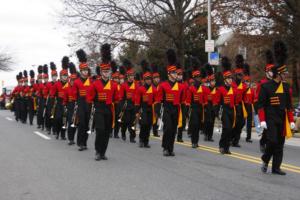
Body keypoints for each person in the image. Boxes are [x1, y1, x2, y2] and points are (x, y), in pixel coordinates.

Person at [258, 41, 295, 175]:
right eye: (284, 73)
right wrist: (262, 120)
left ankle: (276, 168)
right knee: (272, 141)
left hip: (282, 118)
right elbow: (260, 105)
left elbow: (289, 106)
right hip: (270, 119)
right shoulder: (265, 87)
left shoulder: (286, 88)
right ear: (279, 74)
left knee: (280, 144)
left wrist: (291, 120)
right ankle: (265, 159)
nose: (286, 75)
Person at [88, 43, 119, 160]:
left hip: (109, 110)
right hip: (99, 110)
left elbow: (117, 98)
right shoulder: (94, 84)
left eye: (108, 71)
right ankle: (97, 151)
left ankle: (103, 152)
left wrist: (115, 102)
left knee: (106, 132)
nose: (107, 73)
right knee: (100, 130)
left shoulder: (114, 85)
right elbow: (89, 98)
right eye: (104, 71)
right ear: (101, 72)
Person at [155, 49, 184, 156]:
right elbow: (158, 99)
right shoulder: (163, 85)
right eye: (173, 72)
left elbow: (182, 100)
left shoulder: (180, 87)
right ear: (169, 74)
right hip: (166, 109)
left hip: (176, 109)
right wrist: (158, 111)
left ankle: (170, 148)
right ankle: (165, 148)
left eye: (176, 72)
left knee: (173, 130)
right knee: (167, 128)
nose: (176, 74)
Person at [255, 50, 276, 153]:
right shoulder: (261, 83)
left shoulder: (277, 83)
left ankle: (270, 144)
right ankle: (263, 142)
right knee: (267, 129)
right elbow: (258, 98)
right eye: (271, 71)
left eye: (273, 71)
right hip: (265, 109)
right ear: (267, 72)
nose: (272, 73)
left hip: (275, 109)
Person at [74, 49, 94, 151]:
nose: (86, 72)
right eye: (84, 70)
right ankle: (80, 143)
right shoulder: (77, 82)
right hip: (80, 105)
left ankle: (85, 142)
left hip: (89, 105)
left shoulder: (91, 81)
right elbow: (74, 94)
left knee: (87, 125)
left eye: (87, 70)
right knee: (81, 124)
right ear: (81, 71)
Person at [134, 60, 157, 148]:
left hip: (150, 109)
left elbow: (156, 100)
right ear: (144, 80)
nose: (149, 81)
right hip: (143, 109)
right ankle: (141, 140)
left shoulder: (154, 89)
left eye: (150, 79)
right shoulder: (140, 89)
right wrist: (137, 110)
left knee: (148, 125)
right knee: (143, 124)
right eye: (147, 79)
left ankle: (146, 141)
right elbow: (137, 101)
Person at [185, 58, 205, 148]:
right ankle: (193, 141)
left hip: (200, 109)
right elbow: (188, 101)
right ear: (194, 78)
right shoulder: (191, 88)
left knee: (198, 126)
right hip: (193, 109)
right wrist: (186, 111)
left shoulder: (203, 88)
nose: (199, 79)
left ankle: (196, 142)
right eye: (197, 77)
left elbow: (204, 100)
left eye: (199, 77)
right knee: (195, 124)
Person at [218, 57, 237, 154]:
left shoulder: (234, 90)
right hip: (224, 111)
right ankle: (222, 145)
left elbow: (236, 101)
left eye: (231, 78)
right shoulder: (220, 89)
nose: (231, 80)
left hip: (231, 111)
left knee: (230, 130)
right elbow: (217, 102)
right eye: (229, 78)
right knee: (226, 128)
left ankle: (227, 147)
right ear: (225, 79)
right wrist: (217, 113)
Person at [119, 59, 138, 143]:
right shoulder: (123, 85)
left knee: (133, 122)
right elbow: (121, 97)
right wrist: (122, 106)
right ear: (127, 76)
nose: (131, 77)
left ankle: (132, 137)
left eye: (132, 76)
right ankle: (123, 133)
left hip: (134, 105)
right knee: (125, 122)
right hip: (126, 105)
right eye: (130, 76)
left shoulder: (137, 85)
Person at [50, 58, 69, 140]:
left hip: (66, 104)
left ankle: (63, 135)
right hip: (58, 104)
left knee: (64, 120)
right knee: (58, 119)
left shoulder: (69, 84)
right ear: (60, 76)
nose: (65, 77)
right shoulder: (57, 84)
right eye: (63, 76)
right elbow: (52, 95)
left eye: (66, 75)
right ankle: (57, 132)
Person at [203, 63, 219, 142]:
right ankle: (206, 134)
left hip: (213, 108)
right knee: (207, 122)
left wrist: (217, 110)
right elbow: (204, 99)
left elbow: (217, 100)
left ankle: (210, 136)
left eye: (214, 81)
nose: (213, 82)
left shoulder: (216, 90)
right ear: (209, 81)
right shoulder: (206, 89)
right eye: (212, 81)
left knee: (212, 122)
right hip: (207, 107)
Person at [66, 62, 78, 145]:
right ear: (69, 80)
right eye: (72, 80)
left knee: (75, 124)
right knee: (70, 123)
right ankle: (70, 139)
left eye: (74, 80)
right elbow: (65, 99)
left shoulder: (78, 88)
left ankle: (73, 137)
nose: (73, 81)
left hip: (77, 106)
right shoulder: (67, 89)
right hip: (69, 107)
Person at [243, 64, 255, 143]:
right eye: (246, 82)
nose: (247, 83)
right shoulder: (242, 89)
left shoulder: (252, 90)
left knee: (249, 122)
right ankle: (236, 135)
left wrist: (255, 108)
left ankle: (248, 137)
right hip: (243, 106)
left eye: (248, 82)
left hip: (249, 106)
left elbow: (254, 100)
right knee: (241, 122)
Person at [176, 67, 188, 143]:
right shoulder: (174, 84)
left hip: (183, 104)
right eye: (178, 74)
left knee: (182, 120)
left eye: (181, 75)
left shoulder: (185, 84)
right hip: (175, 104)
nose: (180, 76)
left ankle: (179, 136)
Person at [151, 64, 161, 137]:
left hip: (158, 104)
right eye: (155, 78)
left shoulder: (161, 86)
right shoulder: (151, 86)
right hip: (151, 104)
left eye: (158, 78)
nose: (157, 79)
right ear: (153, 79)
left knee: (157, 118)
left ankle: (155, 132)